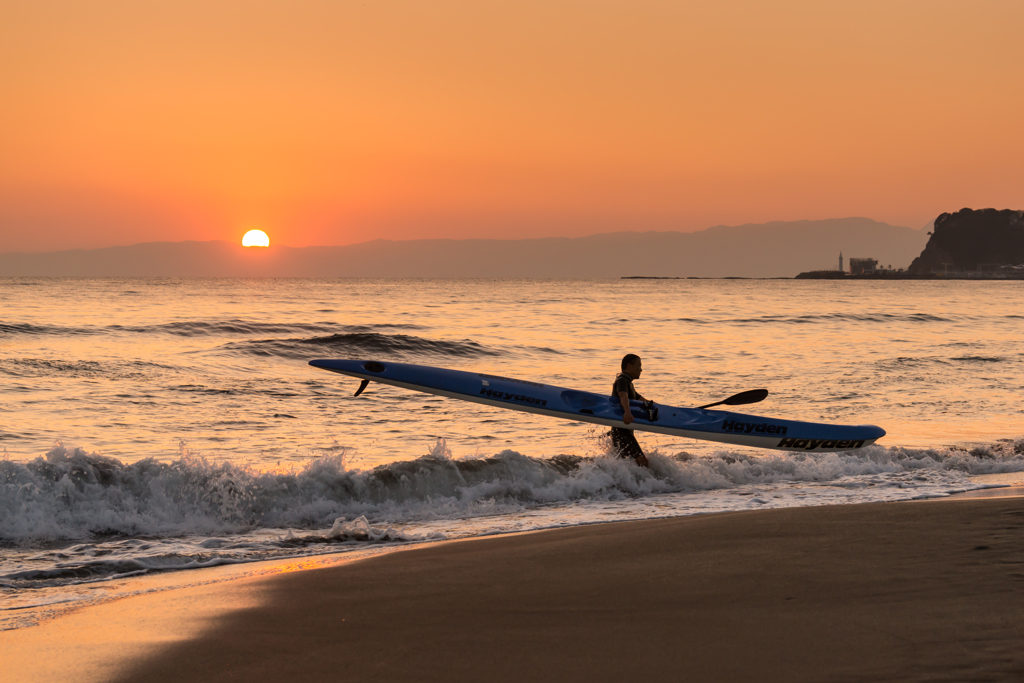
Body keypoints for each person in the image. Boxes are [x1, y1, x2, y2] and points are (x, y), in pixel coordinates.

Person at [610, 354, 649, 467]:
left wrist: (665, 409)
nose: (641, 369)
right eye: (638, 366)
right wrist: (627, 412)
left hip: (623, 430)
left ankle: (626, 484)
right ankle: (647, 484)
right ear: (629, 366)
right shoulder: (622, 380)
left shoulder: (629, 384)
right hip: (622, 431)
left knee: (627, 463)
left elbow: (643, 401)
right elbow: (623, 396)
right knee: (642, 461)